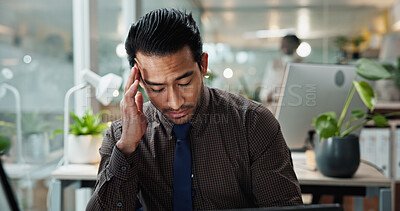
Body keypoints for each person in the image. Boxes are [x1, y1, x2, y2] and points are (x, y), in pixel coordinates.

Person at [86, 8, 302, 210]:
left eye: (184, 83)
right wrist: (126, 148)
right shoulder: (120, 135)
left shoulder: (253, 123)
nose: (175, 102)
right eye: (158, 88)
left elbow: (282, 206)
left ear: (203, 65)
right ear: (139, 80)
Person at [259, 35, 302, 113]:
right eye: (282, 43)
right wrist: (266, 96)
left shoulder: (302, 64)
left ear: (296, 45)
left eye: (288, 43)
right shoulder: (273, 63)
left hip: (294, 108)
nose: (283, 46)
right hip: (274, 108)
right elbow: (266, 86)